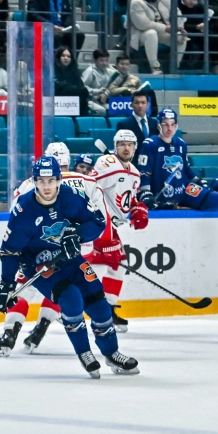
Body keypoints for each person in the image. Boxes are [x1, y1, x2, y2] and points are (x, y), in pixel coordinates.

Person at [0, 156, 137, 377]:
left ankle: (112, 353)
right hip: (42, 267)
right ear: (34, 182)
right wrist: (6, 284)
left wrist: (78, 234)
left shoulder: (71, 198)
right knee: (71, 299)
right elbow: (10, 251)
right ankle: (84, 352)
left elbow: (97, 222)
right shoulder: (24, 211)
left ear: (59, 179)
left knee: (100, 307)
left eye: (51, 180)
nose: (47, 186)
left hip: (71, 261)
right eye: (41, 181)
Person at [0, 146, 110, 356]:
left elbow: (17, 213)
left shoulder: (28, 185)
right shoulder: (85, 180)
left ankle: (10, 335)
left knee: (32, 287)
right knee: (62, 289)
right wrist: (88, 236)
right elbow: (101, 216)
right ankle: (41, 328)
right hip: (78, 246)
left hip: (44, 248)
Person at [90, 129, 148, 325]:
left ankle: (107, 309)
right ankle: (92, 311)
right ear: (115, 147)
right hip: (98, 224)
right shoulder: (107, 164)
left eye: (130, 144)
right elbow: (89, 187)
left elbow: (127, 200)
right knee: (96, 268)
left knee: (117, 268)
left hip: (113, 227)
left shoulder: (135, 173)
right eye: (121, 144)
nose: (126, 148)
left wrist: (137, 208)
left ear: (135, 148)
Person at [139, 107, 218, 210]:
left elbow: (186, 169)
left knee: (214, 199)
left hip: (184, 189)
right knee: (165, 208)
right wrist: (146, 193)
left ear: (176, 125)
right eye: (165, 124)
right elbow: (144, 173)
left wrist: (197, 181)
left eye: (172, 124)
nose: (169, 128)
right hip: (163, 192)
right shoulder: (150, 144)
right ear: (159, 125)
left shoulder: (181, 144)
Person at [129, 0, 188, 74]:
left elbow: (175, 10)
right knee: (151, 33)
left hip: (163, 31)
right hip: (140, 33)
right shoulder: (136, 2)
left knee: (181, 37)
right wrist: (166, 28)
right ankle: (155, 68)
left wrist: (179, 27)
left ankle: (175, 67)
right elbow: (143, 24)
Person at [53, 46, 90, 114]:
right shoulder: (52, 70)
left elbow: (80, 85)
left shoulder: (74, 71)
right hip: (58, 100)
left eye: (68, 56)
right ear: (58, 57)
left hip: (74, 101)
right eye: (63, 56)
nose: (66, 58)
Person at [81, 49, 116, 114]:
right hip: (89, 100)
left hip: (101, 101)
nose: (104, 63)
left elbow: (112, 86)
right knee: (101, 111)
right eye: (101, 61)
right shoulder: (90, 71)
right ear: (95, 60)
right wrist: (97, 91)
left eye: (106, 60)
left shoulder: (110, 72)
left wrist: (105, 93)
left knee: (114, 109)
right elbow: (82, 88)